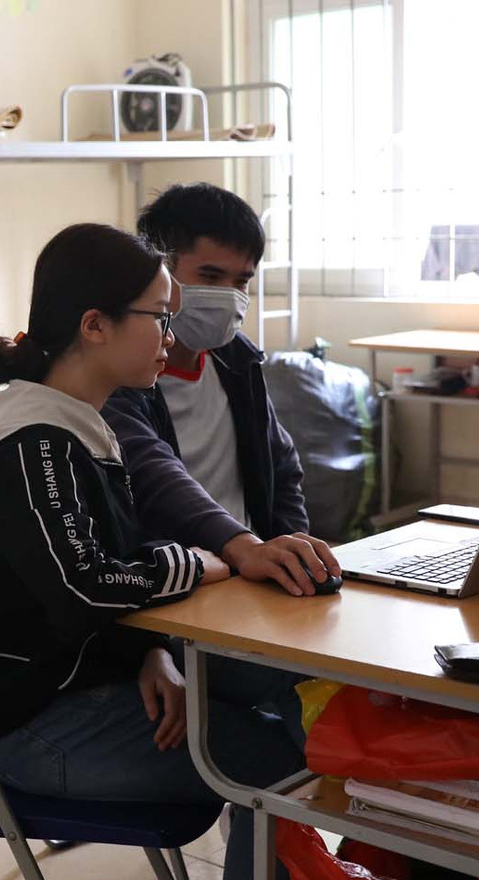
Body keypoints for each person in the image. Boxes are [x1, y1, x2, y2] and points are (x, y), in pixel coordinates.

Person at [0, 223, 304, 880]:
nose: (171, 336)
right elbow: (86, 583)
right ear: (95, 326)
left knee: (283, 683)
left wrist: (146, 652)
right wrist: (195, 563)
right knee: (276, 764)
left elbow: (108, 565)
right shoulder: (36, 442)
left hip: (86, 680)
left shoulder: (80, 423)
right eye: (159, 317)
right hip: (33, 724)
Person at [102, 182, 342, 599]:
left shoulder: (237, 360)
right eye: (210, 276)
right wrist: (243, 547)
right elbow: (155, 475)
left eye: (242, 281)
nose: (228, 296)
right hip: (178, 585)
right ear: (159, 271)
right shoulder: (119, 378)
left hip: (252, 575)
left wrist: (291, 557)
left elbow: (281, 465)